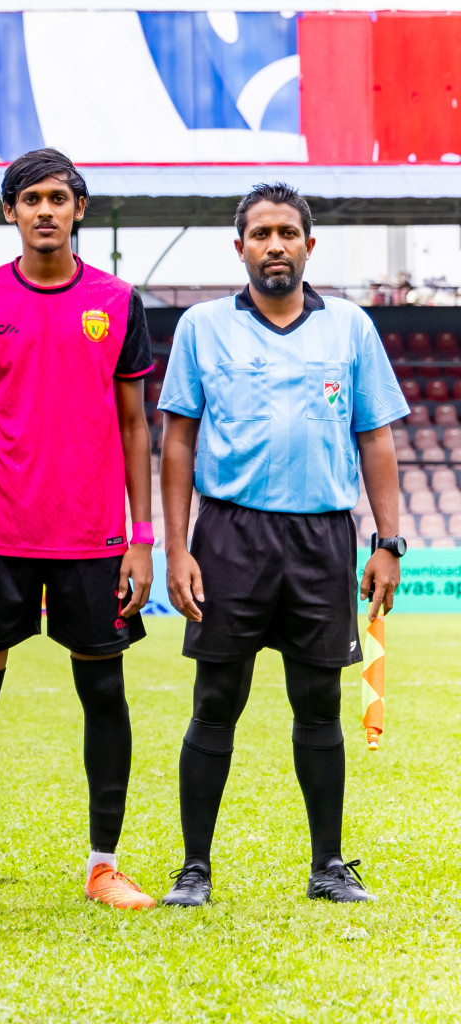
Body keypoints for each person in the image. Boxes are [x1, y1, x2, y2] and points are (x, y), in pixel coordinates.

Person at [157, 183, 407, 906]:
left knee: (318, 702)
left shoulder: (352, 329)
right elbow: (178, 440)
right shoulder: (204, 327)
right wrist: (178, 547)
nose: (275, 245)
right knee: (216, 699)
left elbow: (376, 436)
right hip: (230, 534)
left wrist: (387, 540)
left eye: (287, 233)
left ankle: (328, 865)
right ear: (239, 248)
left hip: (321, 537)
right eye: (260, 233)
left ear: (308, 245)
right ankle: (195, 869)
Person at [0, 149, 157, 912]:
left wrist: (143, 535)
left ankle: (104, 866)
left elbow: (135, 423)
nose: (45, 210)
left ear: (80, 208)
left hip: (93, 538)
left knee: (104, 693)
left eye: (59, 197)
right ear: (10, 212)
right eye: (31, 199)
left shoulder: (119, 303)